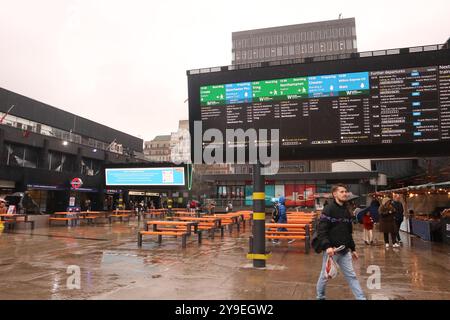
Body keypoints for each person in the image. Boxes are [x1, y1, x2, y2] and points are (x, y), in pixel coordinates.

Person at [316, 183, 366, 300]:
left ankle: (361, 298)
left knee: (352, 276)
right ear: (335, 194)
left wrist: (353, 249)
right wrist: (327, 246)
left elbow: (348, 232)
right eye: (342, 192)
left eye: (345, 192)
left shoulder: (346, 210)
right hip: (332, 251)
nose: (345, 194)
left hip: (344, 251)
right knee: (325, 276)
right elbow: (321, 230)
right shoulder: (328, 209)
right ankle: (320, 296)